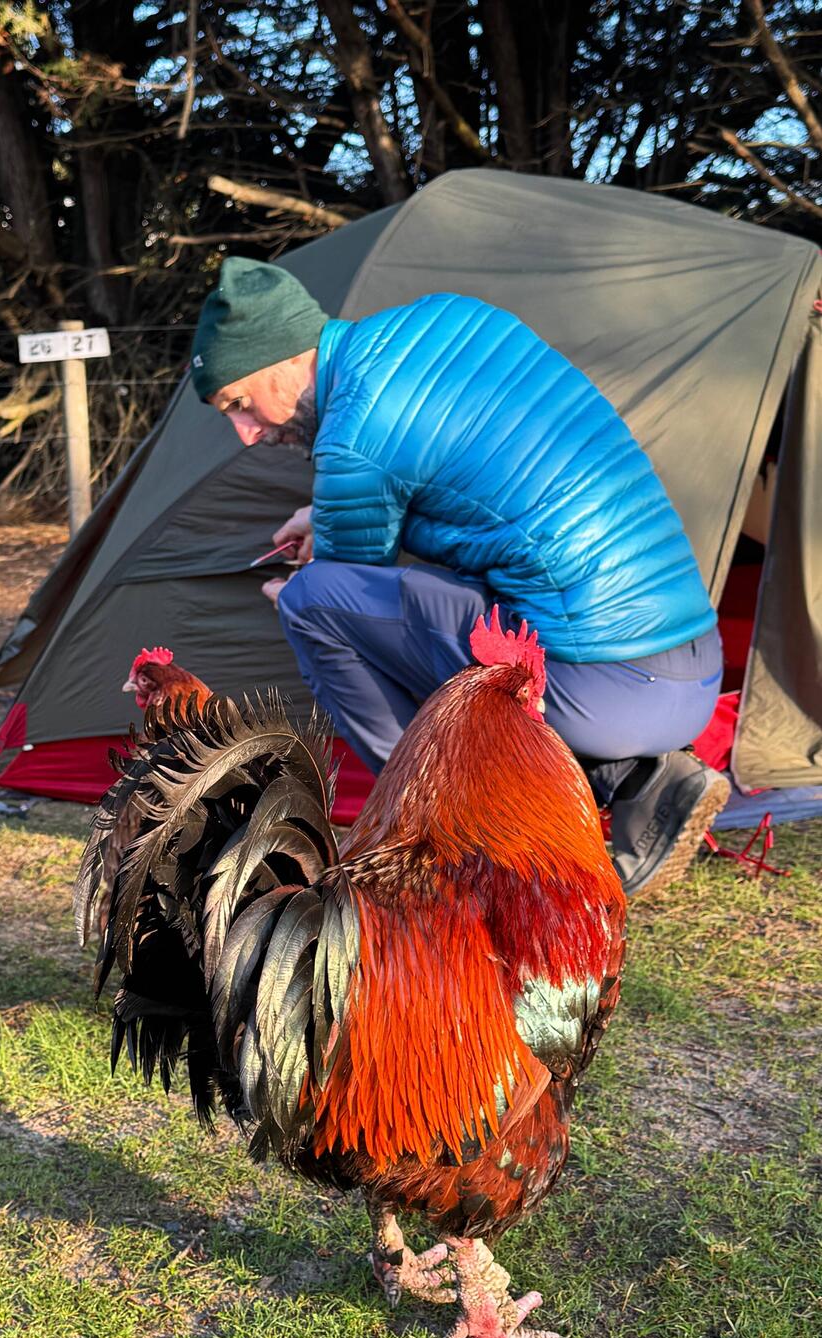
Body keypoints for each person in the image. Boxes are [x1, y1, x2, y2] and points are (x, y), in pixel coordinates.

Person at [189, 256, 729, 898]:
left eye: (240, 403)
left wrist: (296, 586)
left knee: (310, 602)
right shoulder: (449, 322)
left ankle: (434, 837)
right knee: (471, 598)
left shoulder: (354, 436)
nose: (247, 434)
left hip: (604, 689)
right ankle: (640, 779)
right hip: (689, 672)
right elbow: (490, 504)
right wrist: (323, 513)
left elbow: (345, 589)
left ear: (284, 358)